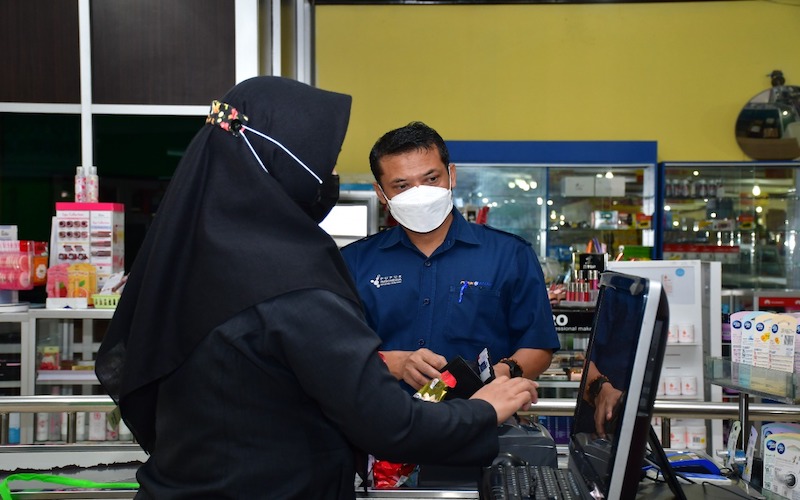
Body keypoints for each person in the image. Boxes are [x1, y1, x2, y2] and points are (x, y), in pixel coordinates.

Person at [94, 77, 538, 499]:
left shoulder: (197, 262)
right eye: (323, 160)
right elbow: (389, 424)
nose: (328, 175)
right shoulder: (292, 281)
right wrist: (484, 408)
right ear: (287, 162)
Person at [341, 122, 560, 393]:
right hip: (380, 424)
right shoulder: (353, 262)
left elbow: (538, 345)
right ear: (381, 194)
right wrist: (394, 363)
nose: (420, 194)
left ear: (451, 175)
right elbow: (332, 352)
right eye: (401, 186)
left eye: (432, 179)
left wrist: (495, 375)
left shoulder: (510, 255)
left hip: (482, 421)